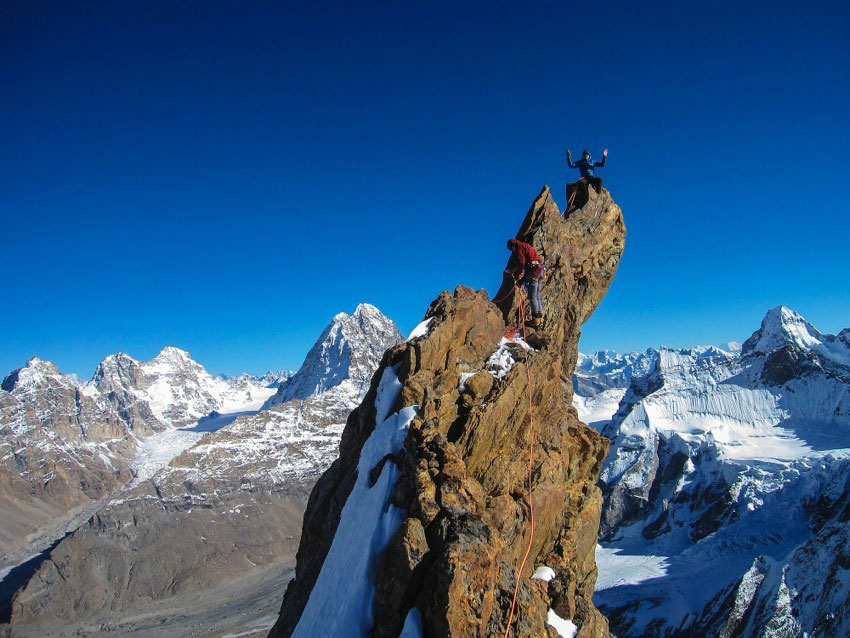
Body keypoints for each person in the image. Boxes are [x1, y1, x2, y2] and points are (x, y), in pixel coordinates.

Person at [506, 238, 544, 327]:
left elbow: (521, 262)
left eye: (511, 249)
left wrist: (518, 276)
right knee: (537, 296)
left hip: (534, 271)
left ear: (513, 245)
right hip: (540, 270)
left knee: (533, 296)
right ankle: (540, 319)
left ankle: (536, 320)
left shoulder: (519, 247)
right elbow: (538, 259)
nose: (512, 251)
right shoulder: (526, 246)